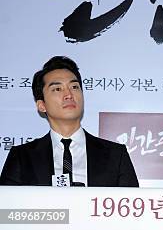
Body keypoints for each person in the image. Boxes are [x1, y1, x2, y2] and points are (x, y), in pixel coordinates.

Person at [0, 56, 139, 187]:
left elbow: (130, 208)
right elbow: (7, 208)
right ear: (41, 105)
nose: (68, 95)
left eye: (74, 87)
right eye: (57, 89)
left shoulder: (116, 155)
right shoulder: (22, 157)